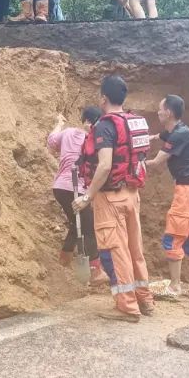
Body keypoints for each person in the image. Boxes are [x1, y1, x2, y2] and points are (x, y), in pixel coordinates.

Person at [74, 75, 155, 323]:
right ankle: (145, 300)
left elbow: (105, 165)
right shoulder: (135, 122)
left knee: (115, 252)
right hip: (132, 195)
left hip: (111, 198)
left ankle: (127, 306)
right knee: (135, 249)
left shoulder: (105, 126)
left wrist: (87, 197)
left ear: (104, 98)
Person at [146, 95, 189, 300]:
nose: (158, 112)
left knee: (173, 237)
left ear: (169, 113)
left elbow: (157, 162)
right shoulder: (180, 130)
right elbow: (163, 135)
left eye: (160, 109)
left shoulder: (179, 135)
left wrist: (135, 163)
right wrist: (151, 138)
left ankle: (174, 287)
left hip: (187, 193)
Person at [47, 108, 107, 285]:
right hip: (78, 189)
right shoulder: (95, 140)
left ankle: (64, 259)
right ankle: (96, 272)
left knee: (76, 222)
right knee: (89, 228)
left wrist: (59, 124)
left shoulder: (68, 132)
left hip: (60, 188)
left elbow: (51, 141)